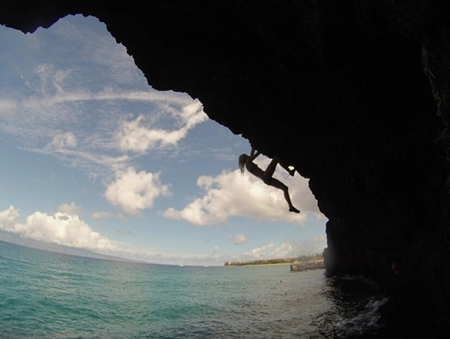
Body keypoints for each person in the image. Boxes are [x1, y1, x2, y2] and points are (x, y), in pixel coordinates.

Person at [238, 147, 300, 213]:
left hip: (266, 179)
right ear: (245, 158)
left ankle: (291, 206)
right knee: (276, 158)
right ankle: (290, 171)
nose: (247, 155)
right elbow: (257, 154)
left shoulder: (248, 164)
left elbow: (251, 156)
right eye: (246, 155)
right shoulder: (248, 162)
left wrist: (253, 148)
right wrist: (258, 147)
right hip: (265, 176)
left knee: (285, 188)